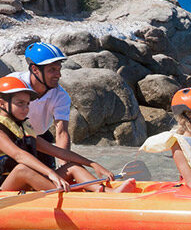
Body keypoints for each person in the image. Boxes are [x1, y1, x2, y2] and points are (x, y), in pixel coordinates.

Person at [0, 76, 134, 193]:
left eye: (28, 104)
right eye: (20, 103)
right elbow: (18, 155)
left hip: (28, 184)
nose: (26, 109)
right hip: (5, 189)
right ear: (1, 103)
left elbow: (57, 151)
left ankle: (107, 192)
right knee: (22, 169)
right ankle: (72, 198)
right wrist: (50, 173)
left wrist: (93, 164)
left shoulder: (23, 128)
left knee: (73, 166)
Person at [14, 42, 72, 169]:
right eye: (52, 70)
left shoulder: (61, 96)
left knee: (56, 174)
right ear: (34, 69)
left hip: (41, 139)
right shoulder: (14, 85)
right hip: (11, 139)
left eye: (58, 69)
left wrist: (64, 166)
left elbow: (61, 133)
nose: (58, 75)